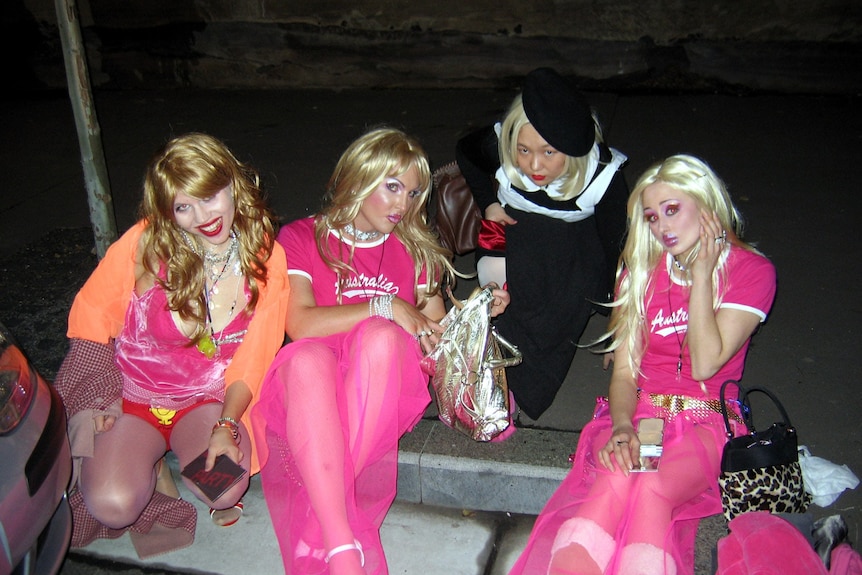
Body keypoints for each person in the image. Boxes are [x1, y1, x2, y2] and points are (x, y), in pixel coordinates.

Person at [251, 127, 509, 575]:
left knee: (382, 337)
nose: (403, 205)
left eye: (411, 193)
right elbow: (301, 324)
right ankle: (342, 543)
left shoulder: (415, 249)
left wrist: (476, 312)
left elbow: (434, 334)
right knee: (307, 356)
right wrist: (385, 304)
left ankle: (326, 528)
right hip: (314, 390)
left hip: (383, 385)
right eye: (392, 187)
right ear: (357, 177)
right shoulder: (300, 238)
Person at [508, 155, 777, 575]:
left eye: (672, 210)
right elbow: (624, 374)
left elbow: (705, 364)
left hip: (706, 420)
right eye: (652, 217)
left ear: (706, 205)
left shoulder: (751, 271)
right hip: (647, 415)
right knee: (618, 475)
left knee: (650, 486)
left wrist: (702, 275)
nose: (662, 227)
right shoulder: (640, 273)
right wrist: (621, 426)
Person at [54, 133, 290, 557]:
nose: (204, 216)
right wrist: (97, 396)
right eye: (184, 206)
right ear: (168, 212)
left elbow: (254, 358)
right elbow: (90, 316)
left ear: (233, 184)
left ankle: (181, 455)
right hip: (133, 400)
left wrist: (226, 425)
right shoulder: (147, 244)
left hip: (205, 402)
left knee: (224, 489)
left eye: (210, 195)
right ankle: (151, 465)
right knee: (113, 505)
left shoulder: (266, 259)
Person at [455, 67, 629, 421]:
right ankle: (488, 375)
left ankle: (520, 391)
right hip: (511, 238)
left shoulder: (603, 175)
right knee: (502, 303)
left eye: (549, 153)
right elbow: (466, 153)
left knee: (557, 311)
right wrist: (488, 201)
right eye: (523, 150)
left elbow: (618, 250)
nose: (534, 165)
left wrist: (621, 320)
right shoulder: (501, 145)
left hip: (572, 251)